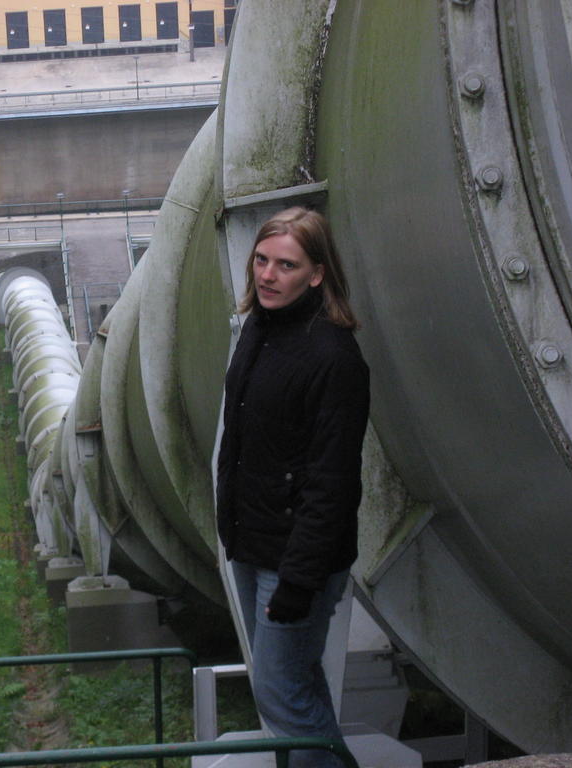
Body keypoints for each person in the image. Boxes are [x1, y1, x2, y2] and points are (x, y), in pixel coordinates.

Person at [215, 207, 369, 767]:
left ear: (318, 274)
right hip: (252, 544)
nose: (267, 275)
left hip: (294, 559)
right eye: (261, 259)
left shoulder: (333, 358)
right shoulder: (258, 329)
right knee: (295, 687)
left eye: (286, 264)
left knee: (280, 693)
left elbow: (331, 484)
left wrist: (298, 583)